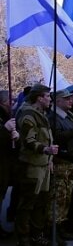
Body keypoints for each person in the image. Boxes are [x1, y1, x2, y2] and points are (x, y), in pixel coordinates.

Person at [15, 84, 59, 246]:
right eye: (47, 96)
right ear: (39, 98)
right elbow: (28, 141)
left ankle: (37, 235)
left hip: (43, 165)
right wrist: (46, 149)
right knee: (28, 203)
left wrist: (49, 160)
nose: (50, 99)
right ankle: (24, 238)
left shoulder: (41, 114)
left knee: (40, 202)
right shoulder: (28, 115)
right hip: (32, 165)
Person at [47, 89, 73, 244]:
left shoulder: (69, 115)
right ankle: (53, 231)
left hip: (71, 162)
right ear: (58, 101)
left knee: (66, 199)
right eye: (66, 98)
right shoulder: (53, 117)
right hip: (61, 162)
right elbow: (57, 137)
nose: (70, 100)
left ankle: (61, 227)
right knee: (58, 198)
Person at [0, 90, 19, 239]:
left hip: (5, 164)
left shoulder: (7, 116)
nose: (12, 104)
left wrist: (15, 136)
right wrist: (4, 130)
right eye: (10, 101)